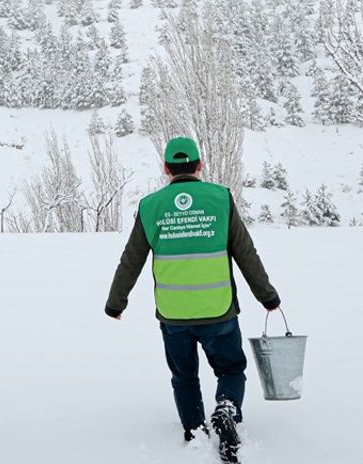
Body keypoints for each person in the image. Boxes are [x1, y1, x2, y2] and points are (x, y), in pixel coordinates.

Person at [105, 136, 280, 464]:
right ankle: (227, 407)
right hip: (219, 310)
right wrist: (267, 296)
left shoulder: (150, 206)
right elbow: (246, 253)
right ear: (199, 165)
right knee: (230, 367)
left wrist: (116, 302)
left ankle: (194, 429)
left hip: (173, 314)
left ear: (166, 168)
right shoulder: (220, 199)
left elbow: (132, 259)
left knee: (184, 375)